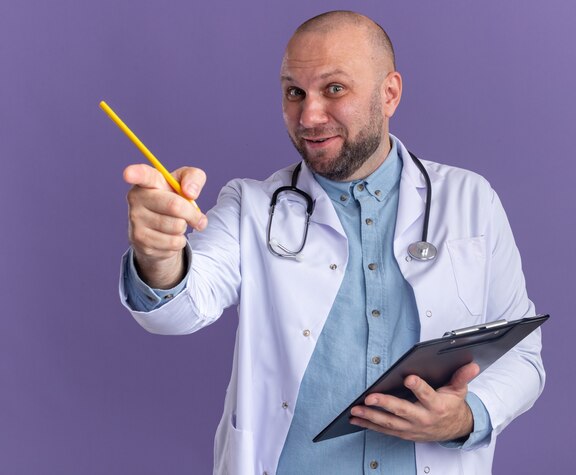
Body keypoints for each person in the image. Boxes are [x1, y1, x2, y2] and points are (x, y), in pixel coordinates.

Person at [119, 10, 545, 475]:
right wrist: (158, 255)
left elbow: (522, 355)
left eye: (334, 89)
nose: (309, 115)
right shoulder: (251, 206)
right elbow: (180, 311)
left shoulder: (470, 199)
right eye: (294, 93)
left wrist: (465, 417)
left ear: (390, 94)